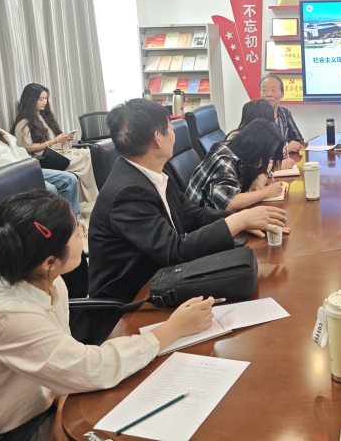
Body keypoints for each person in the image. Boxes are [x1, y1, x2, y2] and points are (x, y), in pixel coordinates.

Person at [0, 189, 216, 440]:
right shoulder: (6, 313)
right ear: (50, 262)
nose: (84, 231)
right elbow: (93, 368)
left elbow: (61, 353)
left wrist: (64, 400)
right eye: (78, 230)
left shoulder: (48, 280)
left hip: (40, 398)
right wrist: (171, 329)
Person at [88, 100, 287, 319]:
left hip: (163, 281)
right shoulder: (128, 193)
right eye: (170, 126)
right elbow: (174, 251)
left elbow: (192, 214)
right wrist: (237, 222)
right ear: (158, 138)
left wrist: (243, 219)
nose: (174, 133)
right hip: (129, 307)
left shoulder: (152, 173)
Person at [0, 92, 81, 218]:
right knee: (50, 189)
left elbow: (18, 151)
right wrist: (16, 174)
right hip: (6, 178)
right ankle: (58, 223)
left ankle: (74, 220)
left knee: (70, 179)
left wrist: (31, 167)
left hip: (22, 170)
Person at [13, 83, 99, 204]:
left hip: (58, 151)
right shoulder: (23, 123)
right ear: (31, 100)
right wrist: (54, 141)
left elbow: (55, 138)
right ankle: (90, 196)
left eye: (46, 98)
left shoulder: (45, 117)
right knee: (86, 158)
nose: (44, 102)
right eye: (41, 99)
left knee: (90, 152)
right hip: (46, 158)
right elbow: (27, 148)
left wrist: (65, 138)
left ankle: (90, 195)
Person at [187, 118, 286, 210]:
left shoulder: (244, 157)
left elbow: (263, 171)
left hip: (218, 217)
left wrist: (257, 182)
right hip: (202, 221)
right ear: (256, 147)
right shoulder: (225, 161)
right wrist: (266, 193)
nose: (267, 160)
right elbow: (227, 202)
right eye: (267, 154)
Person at [260, 74, 303, 152]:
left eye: (273, 90)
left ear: (282, 93)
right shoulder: (253, 112)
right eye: (264, 90)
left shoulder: (284, 112)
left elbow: (298, 140)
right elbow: (253, 150)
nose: (269, 94)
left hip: (282, 159)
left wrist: (294, 146)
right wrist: (284, 149)